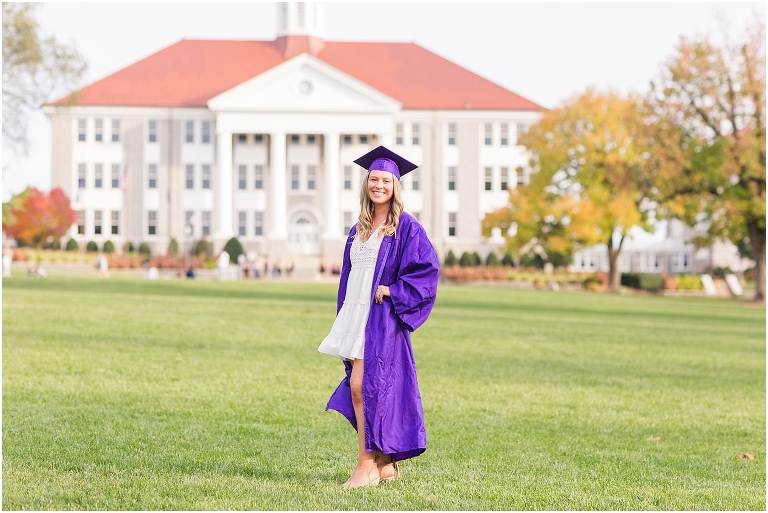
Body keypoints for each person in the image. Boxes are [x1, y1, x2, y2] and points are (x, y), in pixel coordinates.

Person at [318, 146, 440, 489]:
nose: (379, 185)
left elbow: (426, 271)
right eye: (374, 179)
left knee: (364, 386)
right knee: (369, 388)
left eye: (386, 180)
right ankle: (385, 463)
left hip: (382, 319)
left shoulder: (406, 227)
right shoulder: (359, 227)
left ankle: (366, 465)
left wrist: (393, 291)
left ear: (395, 186)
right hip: (356, 316)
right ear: (366, 184)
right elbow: (350, 276)